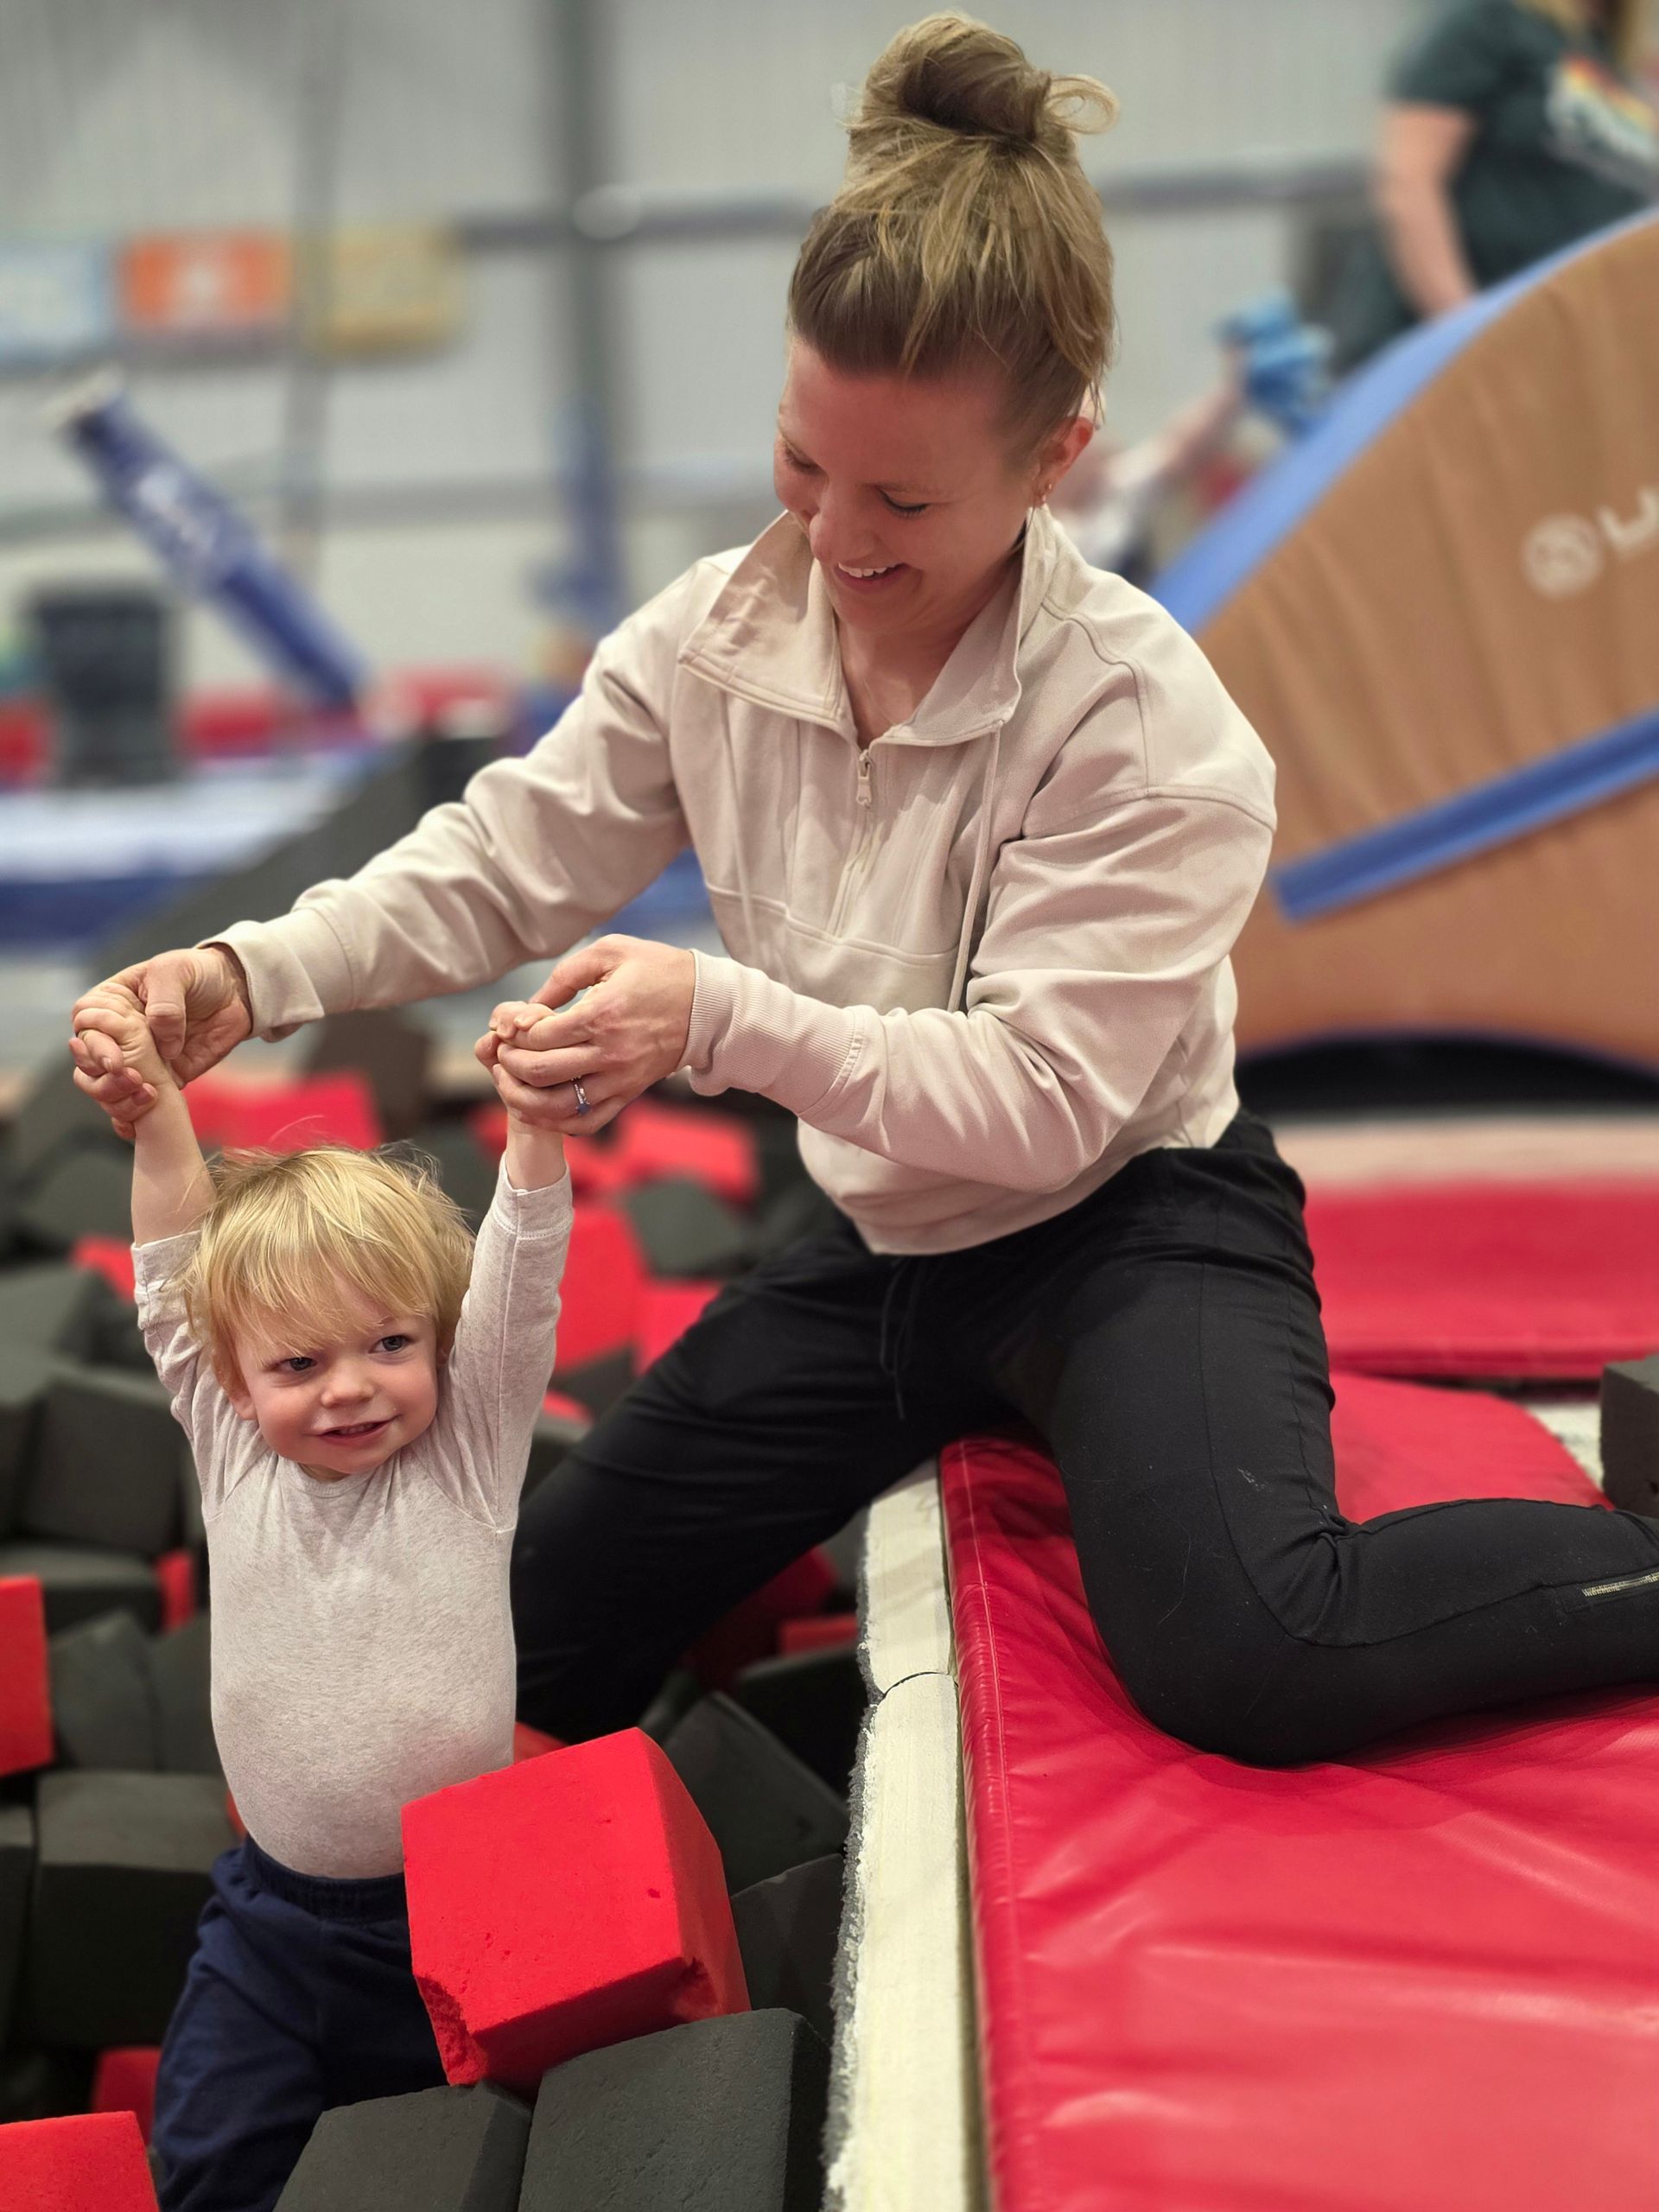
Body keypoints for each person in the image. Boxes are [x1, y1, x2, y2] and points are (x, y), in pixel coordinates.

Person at [79, 14, 1659, 1777]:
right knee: (519, 1631)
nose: (835, 538)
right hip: (889, 1246)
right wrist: (252, 966)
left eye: (903, 495)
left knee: (1252, 1642)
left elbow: (1042, 1096)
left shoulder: (1146, 723)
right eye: (800, 464)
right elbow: (513, 849)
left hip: (1127, 1220)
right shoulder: (712, 639)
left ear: (1057, 456)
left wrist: (717, 1017)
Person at [69, 982, 570, 2212]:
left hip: (454, 1919)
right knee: (209, 2162)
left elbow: (516, 1289)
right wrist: (155, 1119)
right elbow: (174, 1272)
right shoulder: (233, 1448)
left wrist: (535, 1131)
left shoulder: (466, 1450)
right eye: (299, 1364)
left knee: (454, 2174)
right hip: (273, 1926)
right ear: (233, 1386)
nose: (352, 1388)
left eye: (391, 1345)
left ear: (440, 1350)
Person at [1330, 0, 1657, 370]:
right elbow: (1409, 183)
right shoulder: (1492, 21)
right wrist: (1465, 331)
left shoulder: (1609, 56)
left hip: (1551, 364)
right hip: (1439, 363)